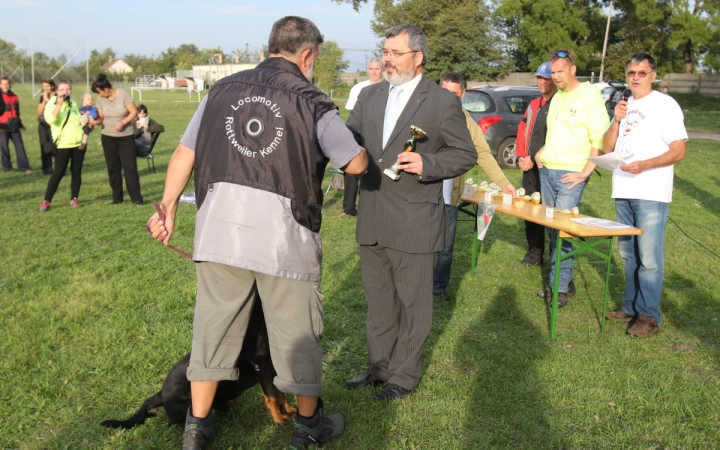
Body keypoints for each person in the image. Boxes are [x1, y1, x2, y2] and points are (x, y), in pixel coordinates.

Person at [147, 16, 368, 450]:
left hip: (218, 235)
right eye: (316, 59)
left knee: (212, 334)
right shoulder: (313, 101)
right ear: (306, 54)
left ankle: (197, 428)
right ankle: (310, 428)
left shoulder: (219, 91)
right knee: (297, 337)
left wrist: (168, 209)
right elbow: (354, 164)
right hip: (285, 241)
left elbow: (184, 152)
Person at [344, 24, 477, 400]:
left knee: (415, 303)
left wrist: (428, 162)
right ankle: (380, 367)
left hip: (415, 220)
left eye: (395, 53)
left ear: (418, 57)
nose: (387, 59)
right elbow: (349, 140)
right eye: (385, 52)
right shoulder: (369, 97)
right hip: (372, 214)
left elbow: (465, 153)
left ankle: (403, 377)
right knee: (380, 301)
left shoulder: (441, 101)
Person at [602, 53, 687, 337]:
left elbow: (679, 150)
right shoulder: (625, 106)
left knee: (649, 258)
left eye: (641, 72)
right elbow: (606, 147)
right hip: (623, 190)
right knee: (628, 255)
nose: (635, 77)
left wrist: (645, 165)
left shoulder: (666, 105)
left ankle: (649, 316)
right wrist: (615, 119)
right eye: (631, 73)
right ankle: (630, 306)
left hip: (650, 191)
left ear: (653, 75)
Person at [534, 49, 609, 308]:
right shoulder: (555, 98)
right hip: (548, 171)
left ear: (573, 69)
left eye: (560, 72)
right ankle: (564, 278)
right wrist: (542, 152)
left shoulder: (589, 94)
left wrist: (586, 172)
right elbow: (556, 134)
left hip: (571, 174)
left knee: (564, 230)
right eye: (552, 72)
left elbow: (599, 137)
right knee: (552, 229)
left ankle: (561, 289)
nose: (555, 77)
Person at [432, 72, 516, 302]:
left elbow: (483, 155)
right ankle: (414, 287)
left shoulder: (468, 122)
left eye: (454, 94)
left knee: (445, 246)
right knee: (420, 243)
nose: (448, 98)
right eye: (444, 93)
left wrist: (505, 184)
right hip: (422, 194)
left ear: (463, 95)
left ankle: (438, 288)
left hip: (450, 195)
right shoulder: (425, 114)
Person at [514, 62, 557, 266]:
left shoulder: (559, 104)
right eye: (539, 78)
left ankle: (556, 260)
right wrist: (522, 157)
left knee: (550, 214)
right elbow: (522, 130)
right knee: (530, 211)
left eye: (545, 78)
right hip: (529, 167)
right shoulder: (533, 104)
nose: (541, 81)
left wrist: (533, 159)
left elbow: (559, 138)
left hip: (549, 168)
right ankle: (535, 253)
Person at [334, 57, 383, 218]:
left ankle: (369, 206)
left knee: (373, 169)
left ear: (382, 69)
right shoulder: (358, 88)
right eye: (371, 68)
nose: (374, 72)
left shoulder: (389, 88)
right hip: (357, 133)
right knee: (352, 170)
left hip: (378, 134)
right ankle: (349, 208)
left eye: (377, 68)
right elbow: (351, 115)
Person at [92, 74, 143, 205]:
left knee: (130, 168)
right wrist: (93, 122)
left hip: (126, 137)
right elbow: (101, 117)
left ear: (106, 89)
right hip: (108, 137)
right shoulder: (100, 100)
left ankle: (137, 198)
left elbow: (133, 112)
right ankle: (117, 198)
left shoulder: (123, 95)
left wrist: (123, 123)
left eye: (100, 92)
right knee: (113, 168)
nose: (99, 95)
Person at [39, 80, 86, 211]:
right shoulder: (51, 104)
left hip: (78, 144)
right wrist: (58, 105)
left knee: (76, 171)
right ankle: (46, 200)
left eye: (68, 89)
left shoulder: (73, 104)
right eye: (63, 89)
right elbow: (51, 120)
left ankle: (74, 199)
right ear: (57, 91)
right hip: (63, 144)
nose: (66, 92)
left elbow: (78, 120)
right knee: (58, 172)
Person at [0, 76, 32, 174]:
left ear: (10, 85)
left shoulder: (15, 96)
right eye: (3, 84)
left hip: (14, 126)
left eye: (7, 84)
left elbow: (16, 112)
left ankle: (24, 167)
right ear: (0, 85)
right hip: (3, 127)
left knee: (20, 146)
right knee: (4, 148)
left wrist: (20, 123)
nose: (6, 86)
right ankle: (7, 168)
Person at [37, 78, 56, 175]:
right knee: (44, 146)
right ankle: (47, 169)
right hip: (43, 124)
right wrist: (44, 100)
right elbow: (40, 111)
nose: (45, 88)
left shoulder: (57, 96)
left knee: (55, 146)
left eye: (47, 86)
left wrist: (48, 99)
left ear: (52, 86)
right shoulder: (42, 96)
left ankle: (58, 169)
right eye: (43, 86)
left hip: (54, 124)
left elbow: (53, 108)